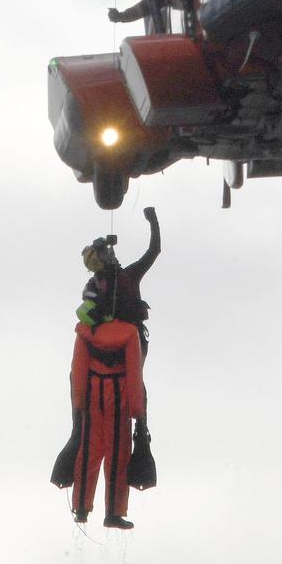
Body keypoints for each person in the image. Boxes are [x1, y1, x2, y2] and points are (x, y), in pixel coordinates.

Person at [61, 311, 147, 528]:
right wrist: (139, 414)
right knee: (118, 455)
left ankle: (81, 508)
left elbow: (78, 370)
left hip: (91, 396)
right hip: (119, 397)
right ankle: (114, 513)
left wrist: (77, 407)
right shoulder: (130, 332)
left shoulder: (84, 331)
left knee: (88, 453)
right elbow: (135, 376)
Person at [77, 206, 161, 352]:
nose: (110, 253)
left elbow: (154, 250)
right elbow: (154, 250)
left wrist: (153, 220)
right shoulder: (127, 276)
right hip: (126, 340)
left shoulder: (94, 286)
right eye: (104, 253)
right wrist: (153, 220)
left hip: (112, 343)